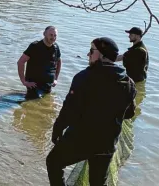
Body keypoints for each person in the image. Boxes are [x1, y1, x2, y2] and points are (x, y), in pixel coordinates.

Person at [46, 37, 137, 186]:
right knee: (97, 182)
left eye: (91, 51)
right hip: (107, 144)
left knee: (53, 162)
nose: (88, 55)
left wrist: (57, 130)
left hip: (81, 140)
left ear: (102, 55)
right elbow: (129, 114)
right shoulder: (129, 83)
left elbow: (69, 110)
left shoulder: (84, 78)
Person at [17, 26, 62, 99]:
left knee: (46, 104)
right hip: (34, 85)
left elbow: (59, 61)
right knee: (31, 104)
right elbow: (20, 62)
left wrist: (56, 78)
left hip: (48, 85)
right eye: (51, 35)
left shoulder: (56, 47)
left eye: (55, 35)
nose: (53, 37)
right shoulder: (35, 46)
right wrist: (24, 81)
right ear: (44, 34)